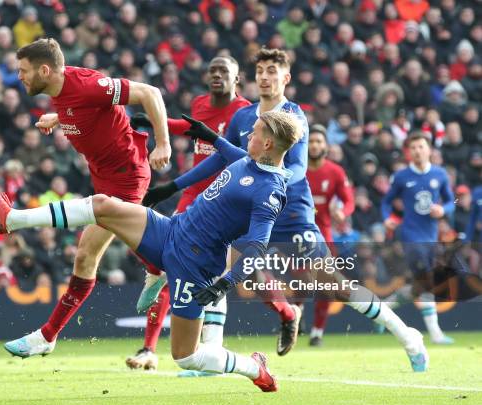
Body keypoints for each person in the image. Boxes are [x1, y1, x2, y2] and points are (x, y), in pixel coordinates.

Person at [146, 48, 429, 372]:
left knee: (333, 282)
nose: (265, 77)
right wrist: (174, 186)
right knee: (220, 269)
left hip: (291, 212)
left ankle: (408, 336)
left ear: (286, 77)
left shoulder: (293, 115)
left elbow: (298, 167)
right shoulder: (243, 116)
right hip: (248, 213)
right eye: (261, 70)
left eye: (272, 71)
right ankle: (210, 357)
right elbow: (221, 157)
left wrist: (270, 180)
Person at [0, 110, 303, 392]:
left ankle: (254, 368)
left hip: (195, 265)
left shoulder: (270, 192)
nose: (249, 134)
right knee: (103, 205)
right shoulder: (248, 159)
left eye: (256, 132)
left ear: (268, 145)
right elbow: (218, 145)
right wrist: (166, 127)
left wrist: (225, 283)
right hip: (172, 232)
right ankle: (11, 219)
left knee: (187, 356)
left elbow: (257, 247)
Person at [0, 38, 171, 353]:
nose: (19, 77)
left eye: (23, 70)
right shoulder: (59, 89)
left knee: (87, 254)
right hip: (104, 179)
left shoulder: (88, 85)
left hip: (128, 176)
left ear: (44, 69)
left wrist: (163, 143)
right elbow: (83, 109)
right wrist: (59, 118)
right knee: (89, 254)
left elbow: (149, 92)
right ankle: (157, 267)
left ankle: (46, 336)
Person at [125, 55, 252, 371]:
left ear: (237, 78)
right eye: (212, 70)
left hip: (227, 197)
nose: (217, 75)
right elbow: (193, 132)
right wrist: (158, 124)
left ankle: (285, 314)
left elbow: (231, 154)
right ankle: (149, 348)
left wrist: (160, 124)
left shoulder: (245, 112)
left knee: (232, 269)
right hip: (197, 194)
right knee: (173, 260)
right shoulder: (199, 104)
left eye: (224, 70)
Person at [382, 132, 456, 345]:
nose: (417, 151)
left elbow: (454, 201)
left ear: (429, 149)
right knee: (427, 280)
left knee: (419, 286)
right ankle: (436, 334)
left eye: (421, 146)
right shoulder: (402, 177)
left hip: (431, 236)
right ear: (409, 152)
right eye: (413, 147)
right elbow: (386, 202)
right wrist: (388, 218)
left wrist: (443, 209)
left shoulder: (440, 174)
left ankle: (383, 309)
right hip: (410, 235)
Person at [306, 124, 354, 346]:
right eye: (311, 141)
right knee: (300, 282)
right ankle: (293, 322)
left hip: (323, 234)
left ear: (325, 145)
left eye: (319, 141)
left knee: (326, 285)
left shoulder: (335, 172)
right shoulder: (296, 169)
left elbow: (349, 200)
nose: (315, 145)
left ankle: (317, 332)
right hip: (297, 233)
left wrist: (343, 213)